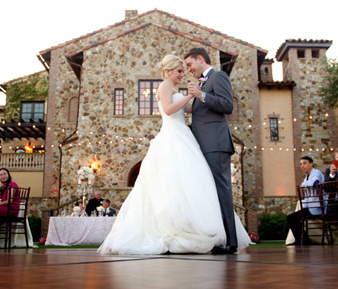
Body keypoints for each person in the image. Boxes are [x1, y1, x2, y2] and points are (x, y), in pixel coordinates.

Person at [99, 54, 250, 256]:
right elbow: (170, 110)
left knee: (191, 184)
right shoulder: (164, 86)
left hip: (185, 136)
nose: (183, 73)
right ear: (168, 71)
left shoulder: (181, 87)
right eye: (180, 70)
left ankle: (199, 230)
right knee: (172, 184)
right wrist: (191, 95)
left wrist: (197, 97)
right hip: (172, 136)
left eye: (185, 68)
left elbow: (191, 109)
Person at [185, 47, 238, 255]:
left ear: (200, 59)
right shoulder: (203, 84)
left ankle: (229, 242)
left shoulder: (219, 76)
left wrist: (201, 94)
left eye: (190, 64)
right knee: (211, 192)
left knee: (222, 190)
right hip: (204, 145)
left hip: (216, 144)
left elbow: (227, 105)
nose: (189, 69)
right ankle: (218, 237)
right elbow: (201, 113)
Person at [286, 156, 324, 246]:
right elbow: (307, 194)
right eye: (301, 164)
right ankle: (303, 239)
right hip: (310, 207)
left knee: (292, 217)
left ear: (311, 164)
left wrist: (303, 184)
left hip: (316, 207)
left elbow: (312, 183)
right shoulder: (307, 177)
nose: (302, 166)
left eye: (305, 163)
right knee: (292, 217)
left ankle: (302, 240)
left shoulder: (316, 173)